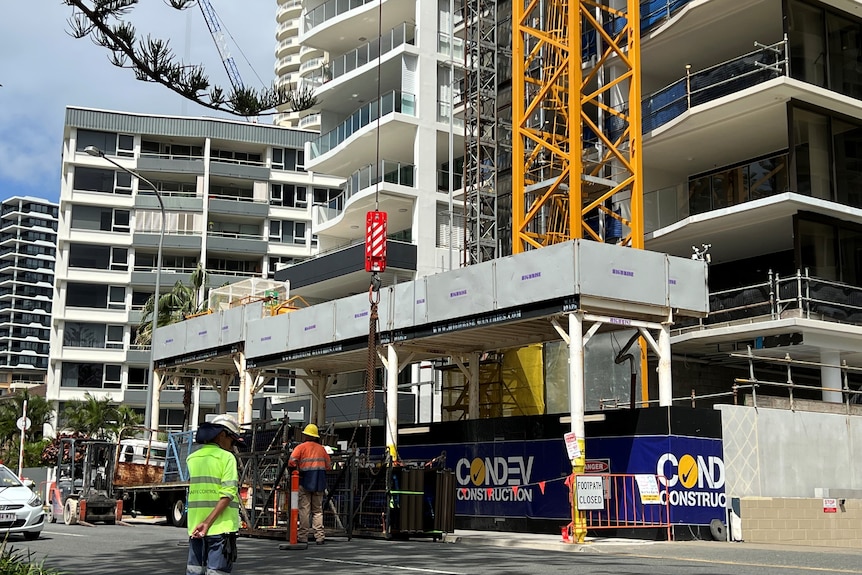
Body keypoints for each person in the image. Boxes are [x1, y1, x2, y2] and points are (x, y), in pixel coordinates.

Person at [186, 414, 243, 575]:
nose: (232, 447)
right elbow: (228, 494)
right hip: (220, 527)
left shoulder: (192, 458)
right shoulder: (227, 458)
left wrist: (202, 523)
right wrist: (208, 522)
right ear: (222, 435)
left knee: (194, 571)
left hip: (195, 528)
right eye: (232, 441)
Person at [288, 423, 332, 545]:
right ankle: (319, 537)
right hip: (319, 482)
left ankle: (303, 536)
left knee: (304, 510)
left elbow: (291, 462)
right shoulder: (322, 449)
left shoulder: (301, 448)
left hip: (304, 481)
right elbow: (329, 466)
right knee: (318, 511)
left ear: (306, 435)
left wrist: (298, 467)